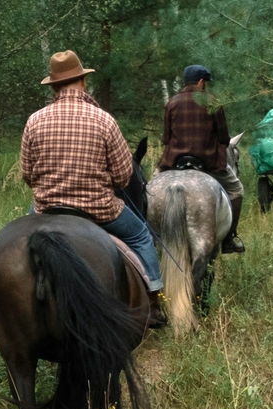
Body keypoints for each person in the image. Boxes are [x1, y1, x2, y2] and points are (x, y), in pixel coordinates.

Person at [19, 50, 166, 322]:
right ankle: (154, 300)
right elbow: (124, 176)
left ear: (53, 86)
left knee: (21, 243)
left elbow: (27, 174)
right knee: (141, 236)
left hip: (47, 211)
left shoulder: (34, 121)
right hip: (99, 210)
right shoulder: (104, 120)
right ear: (83, 82)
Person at [162, 64, 245, 253]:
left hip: (174, 163)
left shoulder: (172, 103)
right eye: (206, 83)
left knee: (148, 191)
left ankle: (151, 236)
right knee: (237, 189)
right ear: (201, 82)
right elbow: (224, 139)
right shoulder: (213, 102)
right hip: (207, 163)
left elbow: (166, 138)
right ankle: (229, 238)